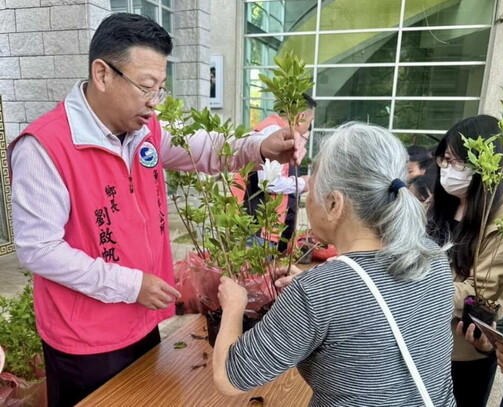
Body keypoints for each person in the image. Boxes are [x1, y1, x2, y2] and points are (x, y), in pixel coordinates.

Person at [7, 13, 304, 407]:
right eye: (146, 87)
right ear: (102, 74)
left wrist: (260, 146)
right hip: (85, 338)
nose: (154, 102)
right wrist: (131, 285)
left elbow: (204, 148)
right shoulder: (46, 147)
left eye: (160, 88)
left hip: (140, 318)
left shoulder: (145, 130)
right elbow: (39, 249)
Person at [212, 122, 456, 406]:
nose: (306, 198)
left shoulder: (317, 291)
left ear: (333, 204)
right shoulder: (433, 256)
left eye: (311, 189)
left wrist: (234, 305)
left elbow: (229, 378)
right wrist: (319, 288)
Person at [426, 114, 503, 407]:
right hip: (421, 336)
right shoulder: (438, 203)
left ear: (484, 165)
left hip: (464, 347)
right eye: (444, 160)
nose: (447, 169)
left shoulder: (502, 220)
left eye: (456, 161)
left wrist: (410, 289)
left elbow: (482, 293)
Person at [233, 94, 316, 252]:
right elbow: (269, 182)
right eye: (310, 122)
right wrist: (303, 183)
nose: (308, 128)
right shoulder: (272, 132)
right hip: (256, 227)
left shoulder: (277, 131)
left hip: (261, 227)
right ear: (301, 116)